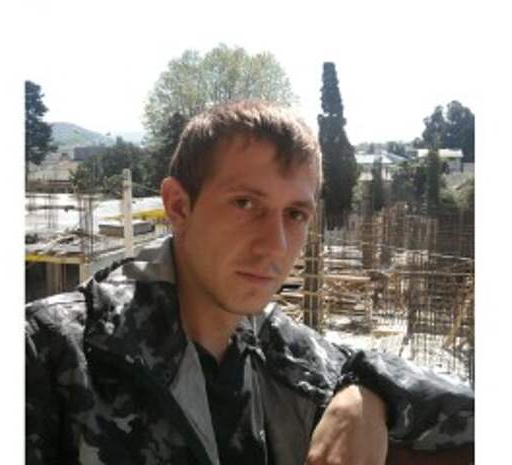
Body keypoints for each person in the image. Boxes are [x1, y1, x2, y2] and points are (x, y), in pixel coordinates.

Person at [26, 100, 474, 465]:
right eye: (245, 204)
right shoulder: (51, 353)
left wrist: (370, 395)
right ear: (178, 206)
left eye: (295, 214)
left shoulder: (288, 353)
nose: (274, 245)